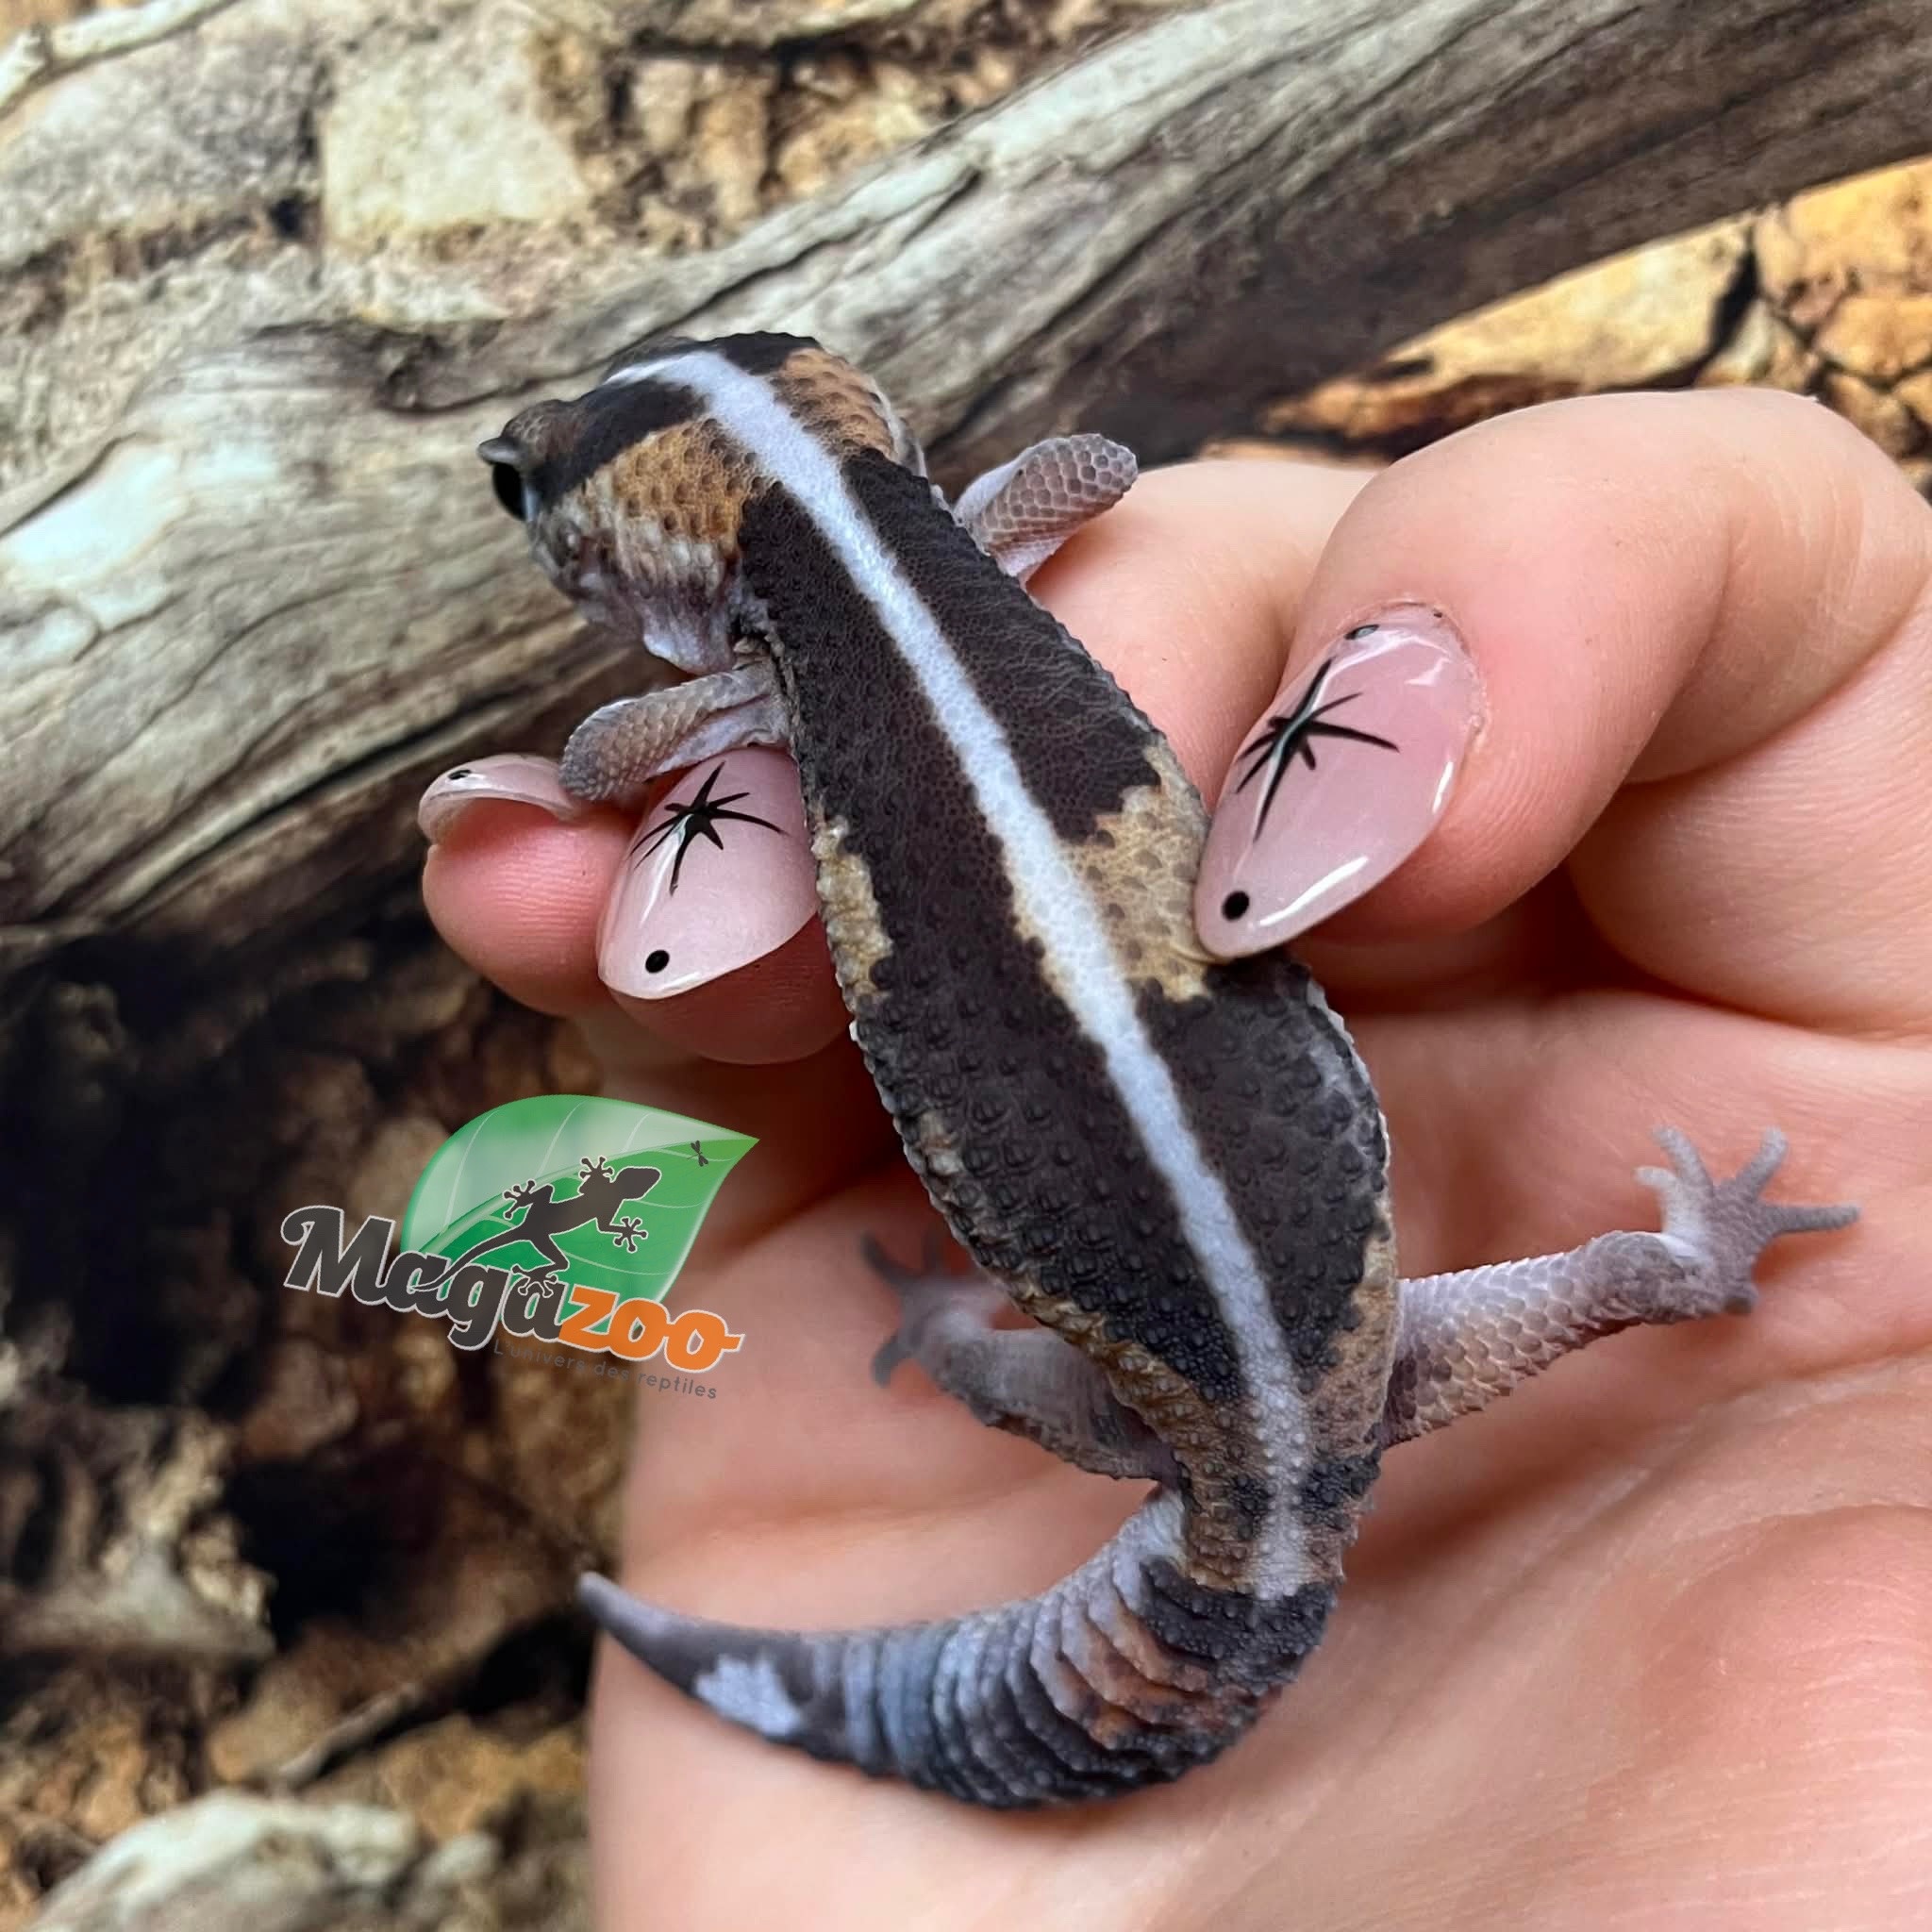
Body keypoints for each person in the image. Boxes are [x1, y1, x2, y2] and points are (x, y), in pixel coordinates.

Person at [421, 391, 1931, 1926]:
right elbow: (1100, 468)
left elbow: (607, 753)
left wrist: (744, 696)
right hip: (1351, 1364)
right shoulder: (960, 546)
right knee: (1635, 1273)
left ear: (632, 562)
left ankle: (945, 1351)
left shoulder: (761, 677)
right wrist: (954, 526)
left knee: (1593, 1282)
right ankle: (1699, 1262)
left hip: (1270, 1388)